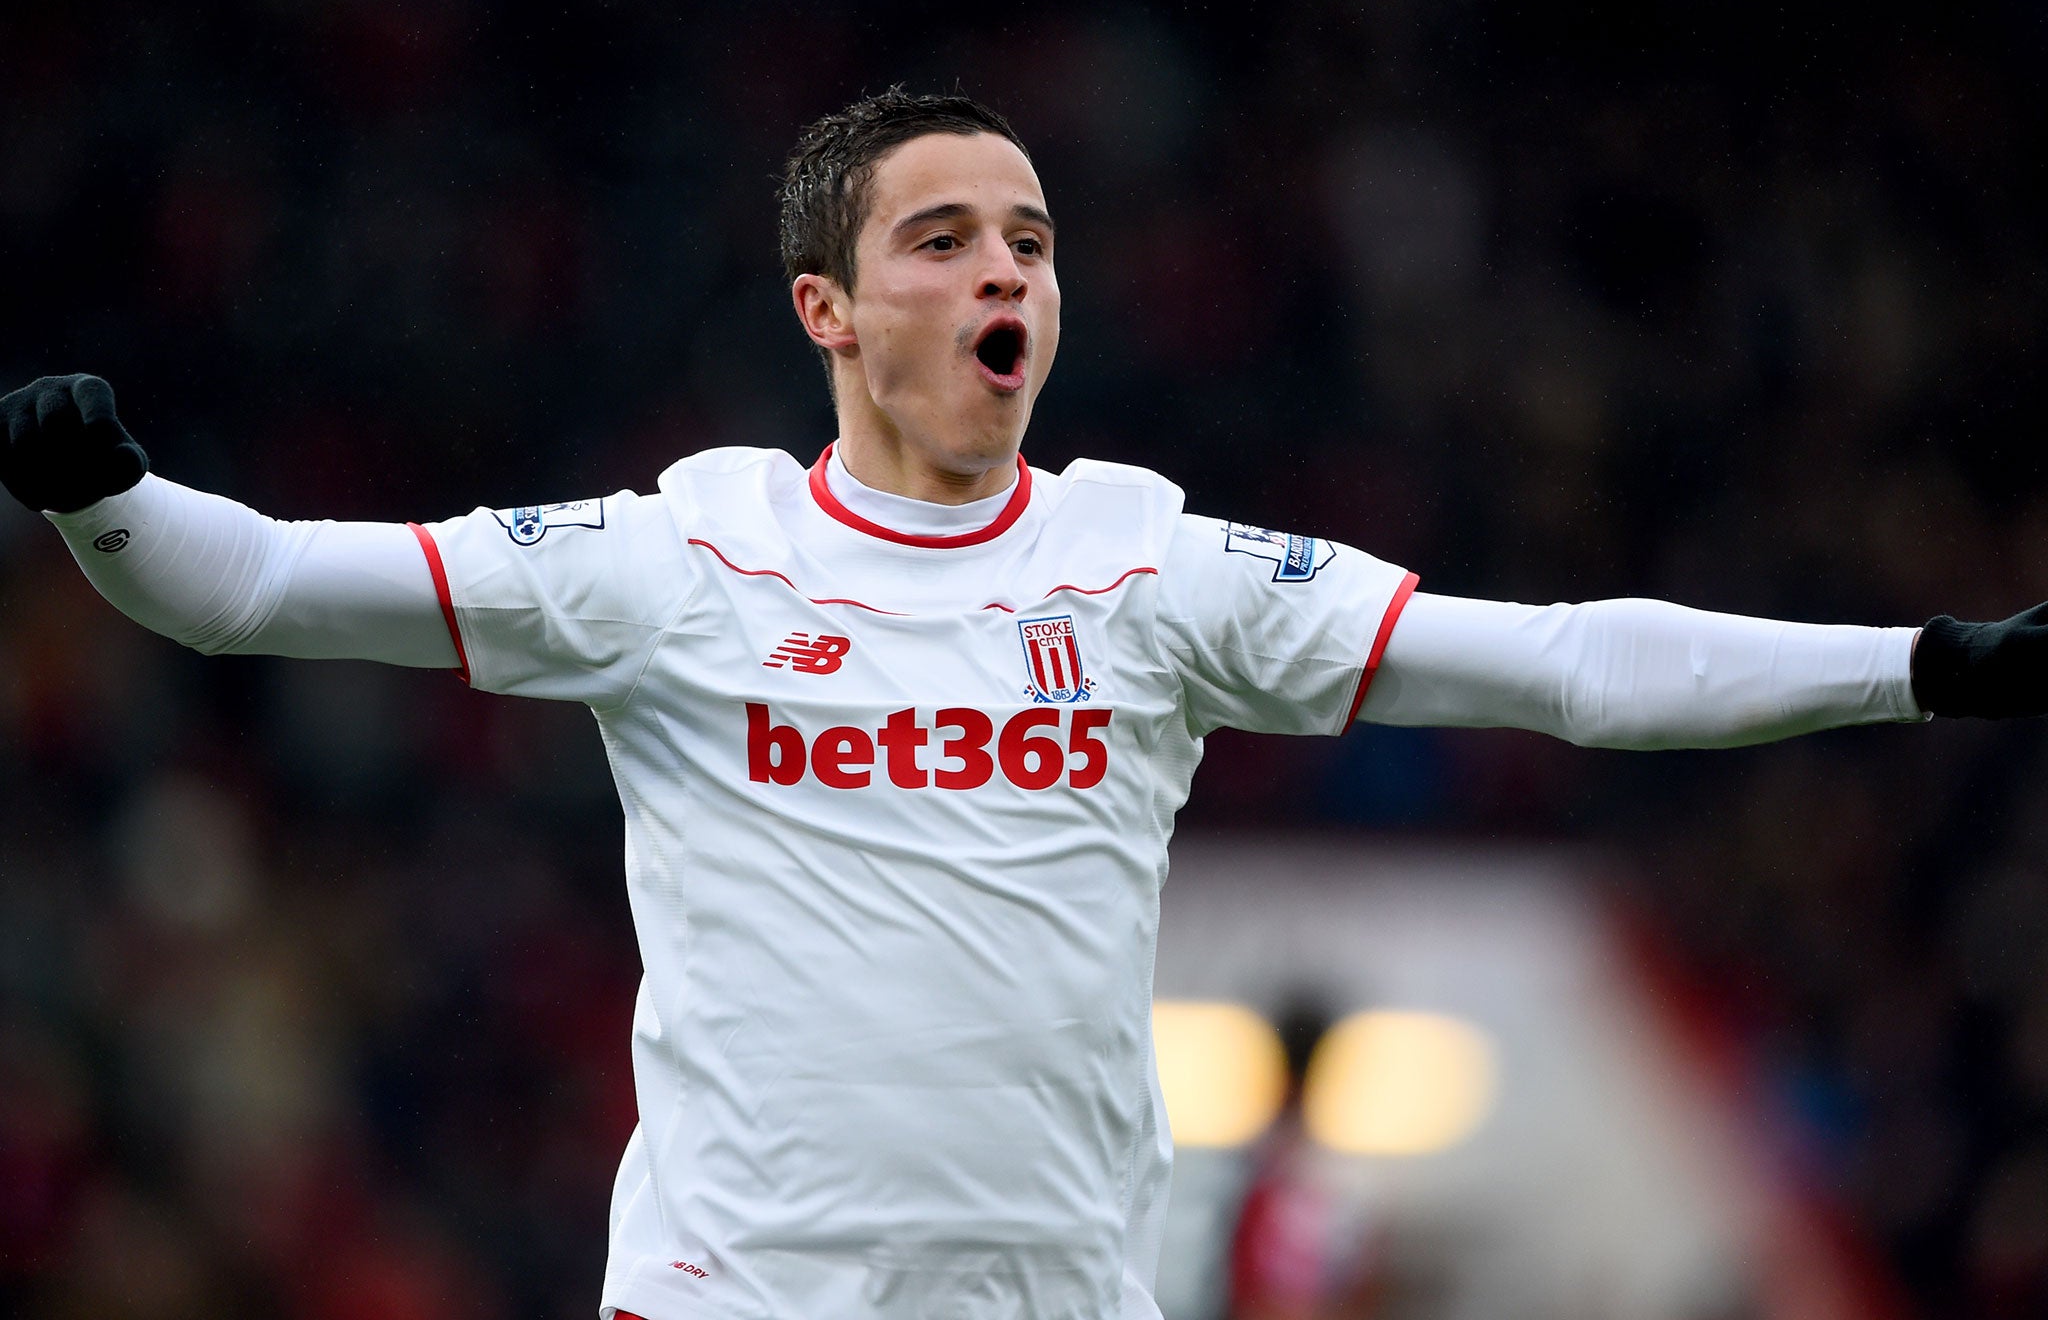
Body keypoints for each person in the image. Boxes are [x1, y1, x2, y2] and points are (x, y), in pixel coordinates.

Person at [3, 89, 2044, 1320]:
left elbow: (1563, 658)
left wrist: (1921, 669)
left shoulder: (1146, 567)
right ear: (830, 309)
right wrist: (106, 502)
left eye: (1036, 240)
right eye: (947, 235)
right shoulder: (667, 558)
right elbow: (256, 580)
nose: (1011, 270)